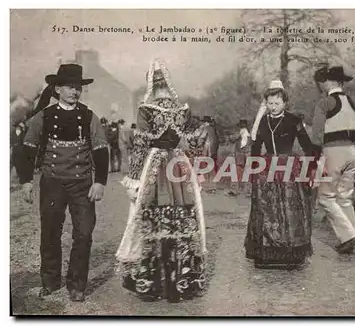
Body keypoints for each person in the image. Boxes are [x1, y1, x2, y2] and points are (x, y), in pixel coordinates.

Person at [116, 58, 213, 302]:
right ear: (169, 83)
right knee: (181, 220)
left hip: (156, 166)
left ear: (149, 83)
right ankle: (180, 283)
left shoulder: (146, 110)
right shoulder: (183, 110)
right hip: (179, 167)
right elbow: (197, 139)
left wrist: (133, 181)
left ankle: (154, 284)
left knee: (153, 219)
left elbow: (139, 146)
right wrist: (197, 166)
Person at [18, 63, 109, 302]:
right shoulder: (43, 116)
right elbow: (26, 149)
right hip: (52, 183)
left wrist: (99, 182)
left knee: (84, 233)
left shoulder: (90, 116)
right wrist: (26, 181)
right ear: (57, 89)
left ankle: (77, 284)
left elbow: (101, 150)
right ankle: (50, 281)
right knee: (50, 232)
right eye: (70, 87)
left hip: (82, 184)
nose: (75, 91)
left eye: (78, 87)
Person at [244, 80, 318, 269]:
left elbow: (307, 145)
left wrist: (312, 167)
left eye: (277, 103)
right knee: (267, 210)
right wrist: (253, 170)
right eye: (270, 103)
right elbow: (256, 147)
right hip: (267, 168)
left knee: (289, 210)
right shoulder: (263, 122)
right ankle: (269, 253)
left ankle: (291, 253)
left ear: (285, 103)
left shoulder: (294, 120)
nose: (273, 107)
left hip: (289, 167)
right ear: (266, 103)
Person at [311, 64, 355, 255]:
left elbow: (317, 134)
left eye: (322, 83)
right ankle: (353, 242)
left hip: (333, 151)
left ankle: (348, 236)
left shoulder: (325, 103)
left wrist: (315, 159)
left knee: (325, 198)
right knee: (344, 198)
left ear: (328, 82)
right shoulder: (351, 102)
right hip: (352, 150)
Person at [228, 119, 252, 195]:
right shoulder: (248, 133)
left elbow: (231, 139)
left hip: (242, 153)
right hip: (246, 153)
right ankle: (247, 190)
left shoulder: (245, 133)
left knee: (239, 172)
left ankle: (238, 189)